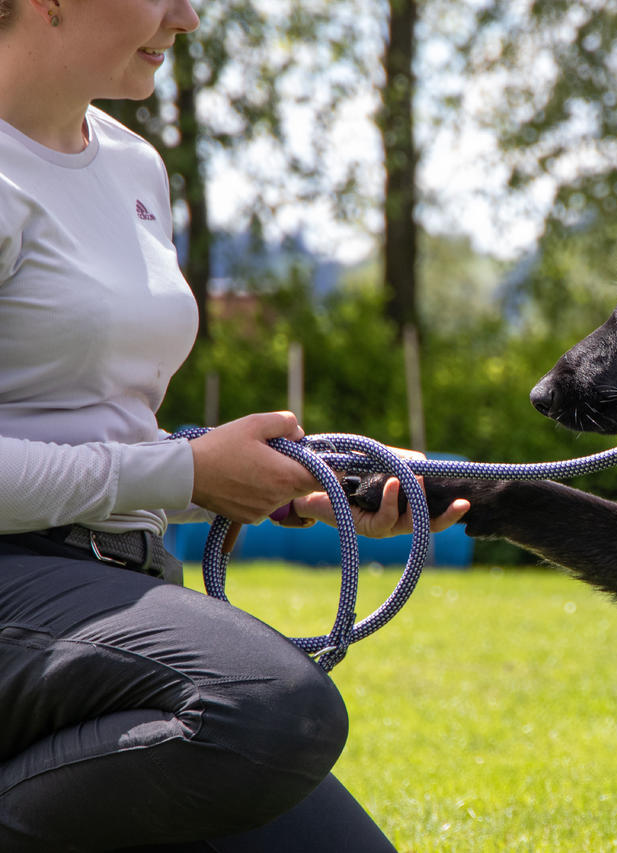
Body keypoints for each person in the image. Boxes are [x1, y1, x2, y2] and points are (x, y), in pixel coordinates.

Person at [0, 0, 468, 850]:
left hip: (114, 581)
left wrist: (298, 484)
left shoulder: (133, 166)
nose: (188, 16)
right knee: (265, 708)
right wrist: (184, 474)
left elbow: (95, 426)